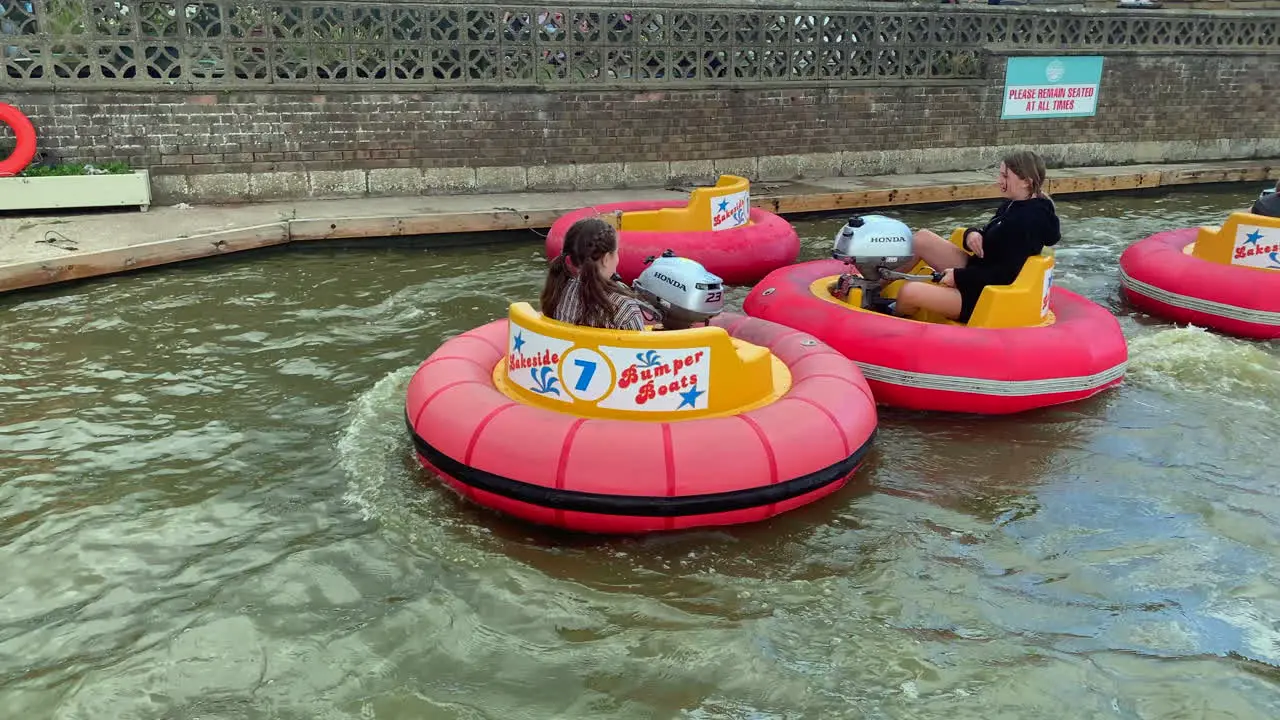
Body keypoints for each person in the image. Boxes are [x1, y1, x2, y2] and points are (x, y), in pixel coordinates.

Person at [893, 150, 1061, 324]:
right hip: (978, 271)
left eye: (1005, 176)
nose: (999, 181)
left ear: (1026, 182)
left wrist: (959, 277)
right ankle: (872, 287)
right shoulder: (1014, 205)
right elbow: (993, 234)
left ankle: (891, 325)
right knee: (922, 238)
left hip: (984, 295)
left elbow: (1005, 275)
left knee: (909, 292)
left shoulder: (1028, 221)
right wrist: (972, 234)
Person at [540, 217, 657, 331]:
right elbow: (637, 348)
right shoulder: (625, 308)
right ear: (606, 259)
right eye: (616, 252)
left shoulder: (557, 291)